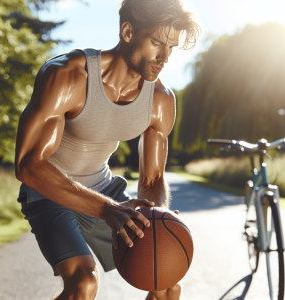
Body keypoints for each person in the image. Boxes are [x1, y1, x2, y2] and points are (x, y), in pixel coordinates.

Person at [15, 0, 201, 299]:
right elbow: (29, 165)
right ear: (128, 31)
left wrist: (158, 214)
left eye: (172, 47)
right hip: (50, 192)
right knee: (84, 284)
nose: (165, 57)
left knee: (166, 283)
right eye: (157, 43)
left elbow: (152, 181)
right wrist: (107, 210)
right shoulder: (68, 76)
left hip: (105, 191)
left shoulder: (161, 100)